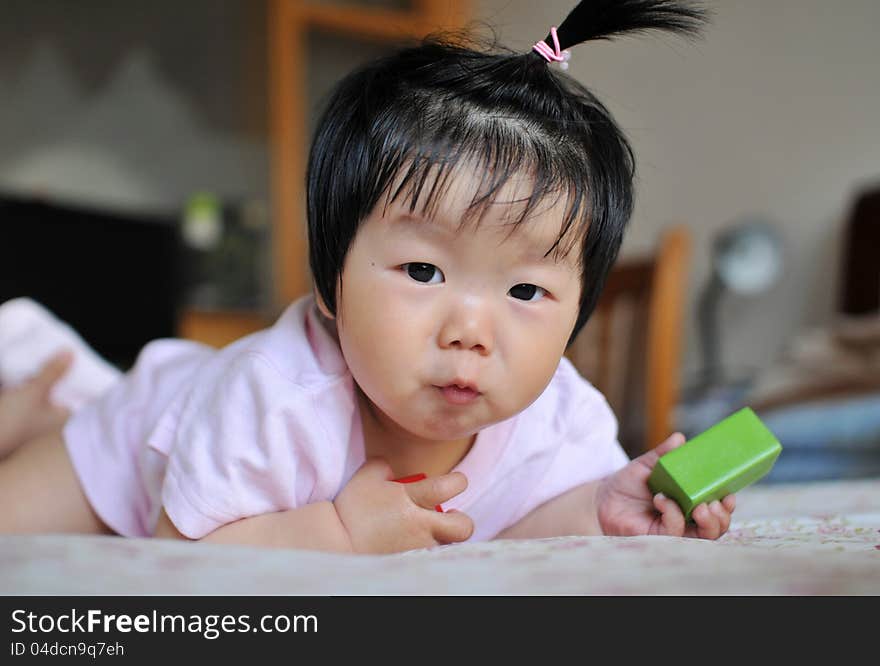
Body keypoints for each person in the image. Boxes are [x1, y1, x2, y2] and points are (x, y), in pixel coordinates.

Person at [0, 0, 736, 553]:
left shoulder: (565, 422)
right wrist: (339, 532)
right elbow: (178, 555)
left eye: (525, 291)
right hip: (134, 444)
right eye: (423, 269)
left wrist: (600, 511)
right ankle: (51, 414)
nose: (471, 332)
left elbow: (516, 534)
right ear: (329, 281)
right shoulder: (274, 399)